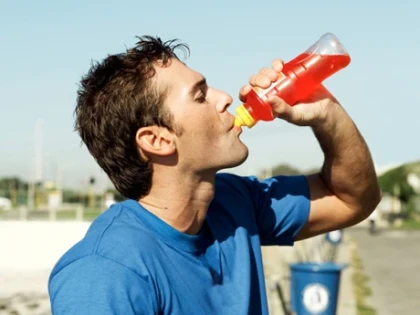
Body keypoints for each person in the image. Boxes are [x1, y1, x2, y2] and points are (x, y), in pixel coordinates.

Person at [48, 36, 381, 314]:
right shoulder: (103, 275)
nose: (224, 98)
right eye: (200, 95)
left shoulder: (235, 203)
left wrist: (326, 115)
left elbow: (352, 199)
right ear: (157, 140)